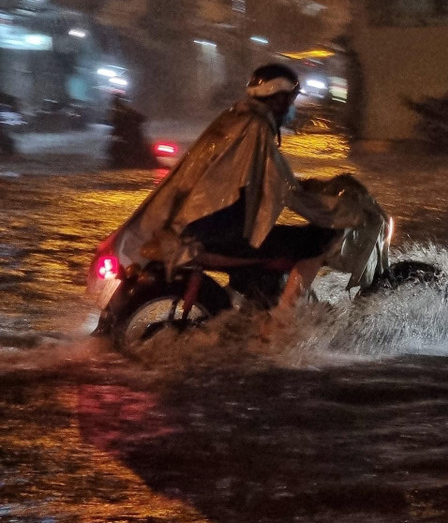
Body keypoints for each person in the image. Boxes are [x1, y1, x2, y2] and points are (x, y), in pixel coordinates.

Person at [109, 63, 386, 335]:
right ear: (278, 99)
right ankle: (281, 325)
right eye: (291, 100)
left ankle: (257, 306)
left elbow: (261, 179)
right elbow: (285, 190)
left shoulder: (237, 118)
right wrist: (341, 212)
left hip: (197, 226)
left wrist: (312, 187)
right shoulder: (255, 128)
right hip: (218, 233)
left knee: (277, 245)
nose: (293, 108)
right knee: (316, 240)